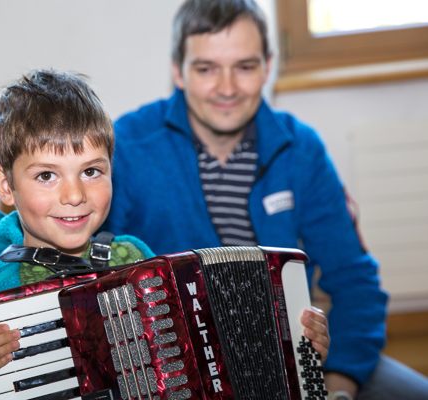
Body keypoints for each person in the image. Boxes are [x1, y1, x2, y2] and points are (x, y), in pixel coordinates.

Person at [103, 1, 428, 399]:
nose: (226, 88)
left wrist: (336, 385)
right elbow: (94, 275)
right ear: (178, 71)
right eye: (206, 69)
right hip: (179, 380)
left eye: (244, 66)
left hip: (302, 361)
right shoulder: (128, 148)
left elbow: (355, 280)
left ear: (268, 67)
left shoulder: (300, 148)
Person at [0, 69, 156, 399]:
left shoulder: (135, 258)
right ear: (7, 186)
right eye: (47, 175)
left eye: (91, 171)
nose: (75, 195)